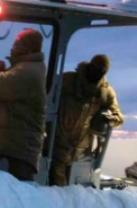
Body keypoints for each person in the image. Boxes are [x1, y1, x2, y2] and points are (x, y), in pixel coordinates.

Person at [0, 29, 48, 181]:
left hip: (20, 143)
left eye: (17, 43)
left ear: (29, 48)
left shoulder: (29, 70)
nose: (12, 47)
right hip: (10, 139)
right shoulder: (24, 67)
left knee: (20, 189)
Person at [50, 54, 124, 186]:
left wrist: (111, 118)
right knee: (56, 184)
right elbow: (47, 97)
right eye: (94, 69)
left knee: (75, 187)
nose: (96, 73)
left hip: (81, 150)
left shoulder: (105, 92)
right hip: (57, 142)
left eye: (100, 71)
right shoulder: (67, 80)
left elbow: (118, 117)